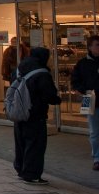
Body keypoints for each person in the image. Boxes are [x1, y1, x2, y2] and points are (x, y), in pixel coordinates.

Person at [14, 47, 61, 184]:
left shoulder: (20, 68)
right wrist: (57, 99)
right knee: (35, 144)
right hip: (36, 113)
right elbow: (49, 95)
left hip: (20, 112)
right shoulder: (42, 73)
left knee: (21, 143)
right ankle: (31, 173)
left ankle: (21, 169)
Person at [71, 35, 99, 171]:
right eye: (97, 45)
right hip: (89, 97)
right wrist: (83, 90)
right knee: (94, 130)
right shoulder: (82, 63)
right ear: (90, 47)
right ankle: (97, 158)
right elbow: (75, 81)